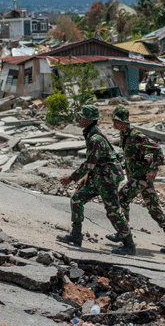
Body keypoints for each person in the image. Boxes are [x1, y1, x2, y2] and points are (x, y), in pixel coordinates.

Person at [57, 105, 135, 255]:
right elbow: (94, 162)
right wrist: (86, 177)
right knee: (77, 199)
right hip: (99, 176)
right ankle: (76, 235)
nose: (79, 119)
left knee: (113, 211)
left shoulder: (95, 139)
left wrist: (71, 178)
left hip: (107, 178)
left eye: (81, 117)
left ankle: (129, 244)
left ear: (87, 120)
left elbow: (89, 164)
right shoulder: (92, 134)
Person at [108, 106, 165, 253]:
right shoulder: (124, 134)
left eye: (115, 121)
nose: (113, 124)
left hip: (141, 176)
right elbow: (133, 154)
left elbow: (157, 149)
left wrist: (154, 168)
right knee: (153, 207)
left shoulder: (136, 135)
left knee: (121, 198)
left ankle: (123, 235)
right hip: (137, 175)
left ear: (122, 122)